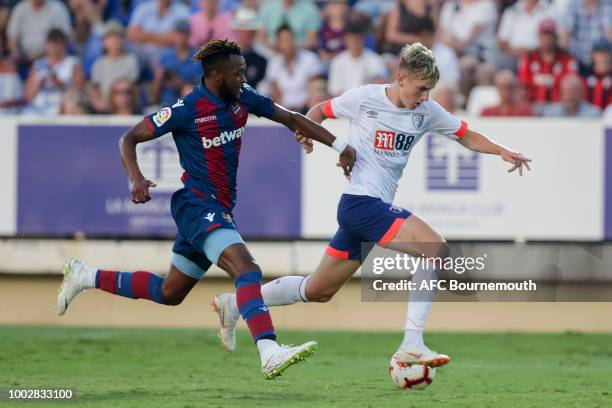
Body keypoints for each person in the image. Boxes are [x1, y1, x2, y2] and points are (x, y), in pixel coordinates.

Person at [212, 43, 532, 368]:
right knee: (435, 249)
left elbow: (465, 134)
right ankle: (412, 343)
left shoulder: (427, 111)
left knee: (319, 289)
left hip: (363, 212)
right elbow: (320, 110)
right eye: (421, 89)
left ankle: (236, 304)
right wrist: (304, 133)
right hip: (361, 204)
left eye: (429, 91)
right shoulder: (365, 98)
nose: (425, 97)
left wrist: (501, 150)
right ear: (401, 78)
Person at [56, 39, 356, 380]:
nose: (244, 78)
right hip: (197, 204)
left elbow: (290, 117)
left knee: (170, 292)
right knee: (247, 269)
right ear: (215, 75)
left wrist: (339, 144)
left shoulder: (243, 97)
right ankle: (269, 350)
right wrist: (135, 179)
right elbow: (128, 138)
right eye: (237, 72)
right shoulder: (186, 109)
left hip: (216, 206)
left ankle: (85, 276)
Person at [23, 28, 85, 116]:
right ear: (47, 44)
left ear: (64, 43)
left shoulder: (73, 63)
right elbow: (28, 96)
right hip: (38, 107)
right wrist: (39, 83)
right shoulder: (38, 64)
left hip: (61, 105)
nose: (54, 46)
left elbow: (80, 91)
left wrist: (59, 84)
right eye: (51, 42)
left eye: (57, 42)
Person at [264, 25, 323, 112]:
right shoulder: (274, 63)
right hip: (284, 113)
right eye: (283, 41)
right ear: (278, 44)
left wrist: (302, 111)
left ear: (294, 40)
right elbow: (276, 94)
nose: (287, 43)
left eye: (289, 39)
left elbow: (315, 91)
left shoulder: (310, 59)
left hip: (306, 110)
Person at [517, 19, 577, 104]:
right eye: (544, 36)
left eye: (550, 36)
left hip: (559, 107)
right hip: (532, 106)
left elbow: (570, 86)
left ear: (556, 37)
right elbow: (522, 85)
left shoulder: (567, 59)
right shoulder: (528, 59)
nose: (547, 40)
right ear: (539, 37)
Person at [89, 20, 140, 113]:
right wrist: (101, 105)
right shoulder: (99, 64)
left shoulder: (131, 61)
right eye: (110, 38)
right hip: (105, 109)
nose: (114, 41)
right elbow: (95, 92)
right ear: (104, 42)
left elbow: (134, 89)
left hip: (125, 107)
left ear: (123, 40)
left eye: (117, 38)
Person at [327, 19, 387, 96]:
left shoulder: (376, 60)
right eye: (351, 38)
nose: (355, 42)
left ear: (363, 39)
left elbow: (380, 87)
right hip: (343, 104)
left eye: (358, 38)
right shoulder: (337, 62)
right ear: (346, 39)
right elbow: (334, 91)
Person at [151, 20, 201, 107]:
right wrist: (158, 79)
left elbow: (201, 87)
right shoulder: (166, 55)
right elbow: (155, 91)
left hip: (188, 103)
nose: (180, 37)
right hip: (167, 102)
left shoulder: (197, 57)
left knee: (188, 91)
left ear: (188, 34)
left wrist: (180, 84)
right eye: (177, 33)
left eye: (183, 33)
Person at [231, 7, 267, 89]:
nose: (247, 33)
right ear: (237, 31)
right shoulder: (224, 58)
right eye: (243, 29)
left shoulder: (261, 60)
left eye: (250, 30)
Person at [580, 39, 611, 110]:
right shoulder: (585, 74)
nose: (602, 56)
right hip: (588, 116)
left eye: (605, 52)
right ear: (592, 54)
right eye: (599, 52)